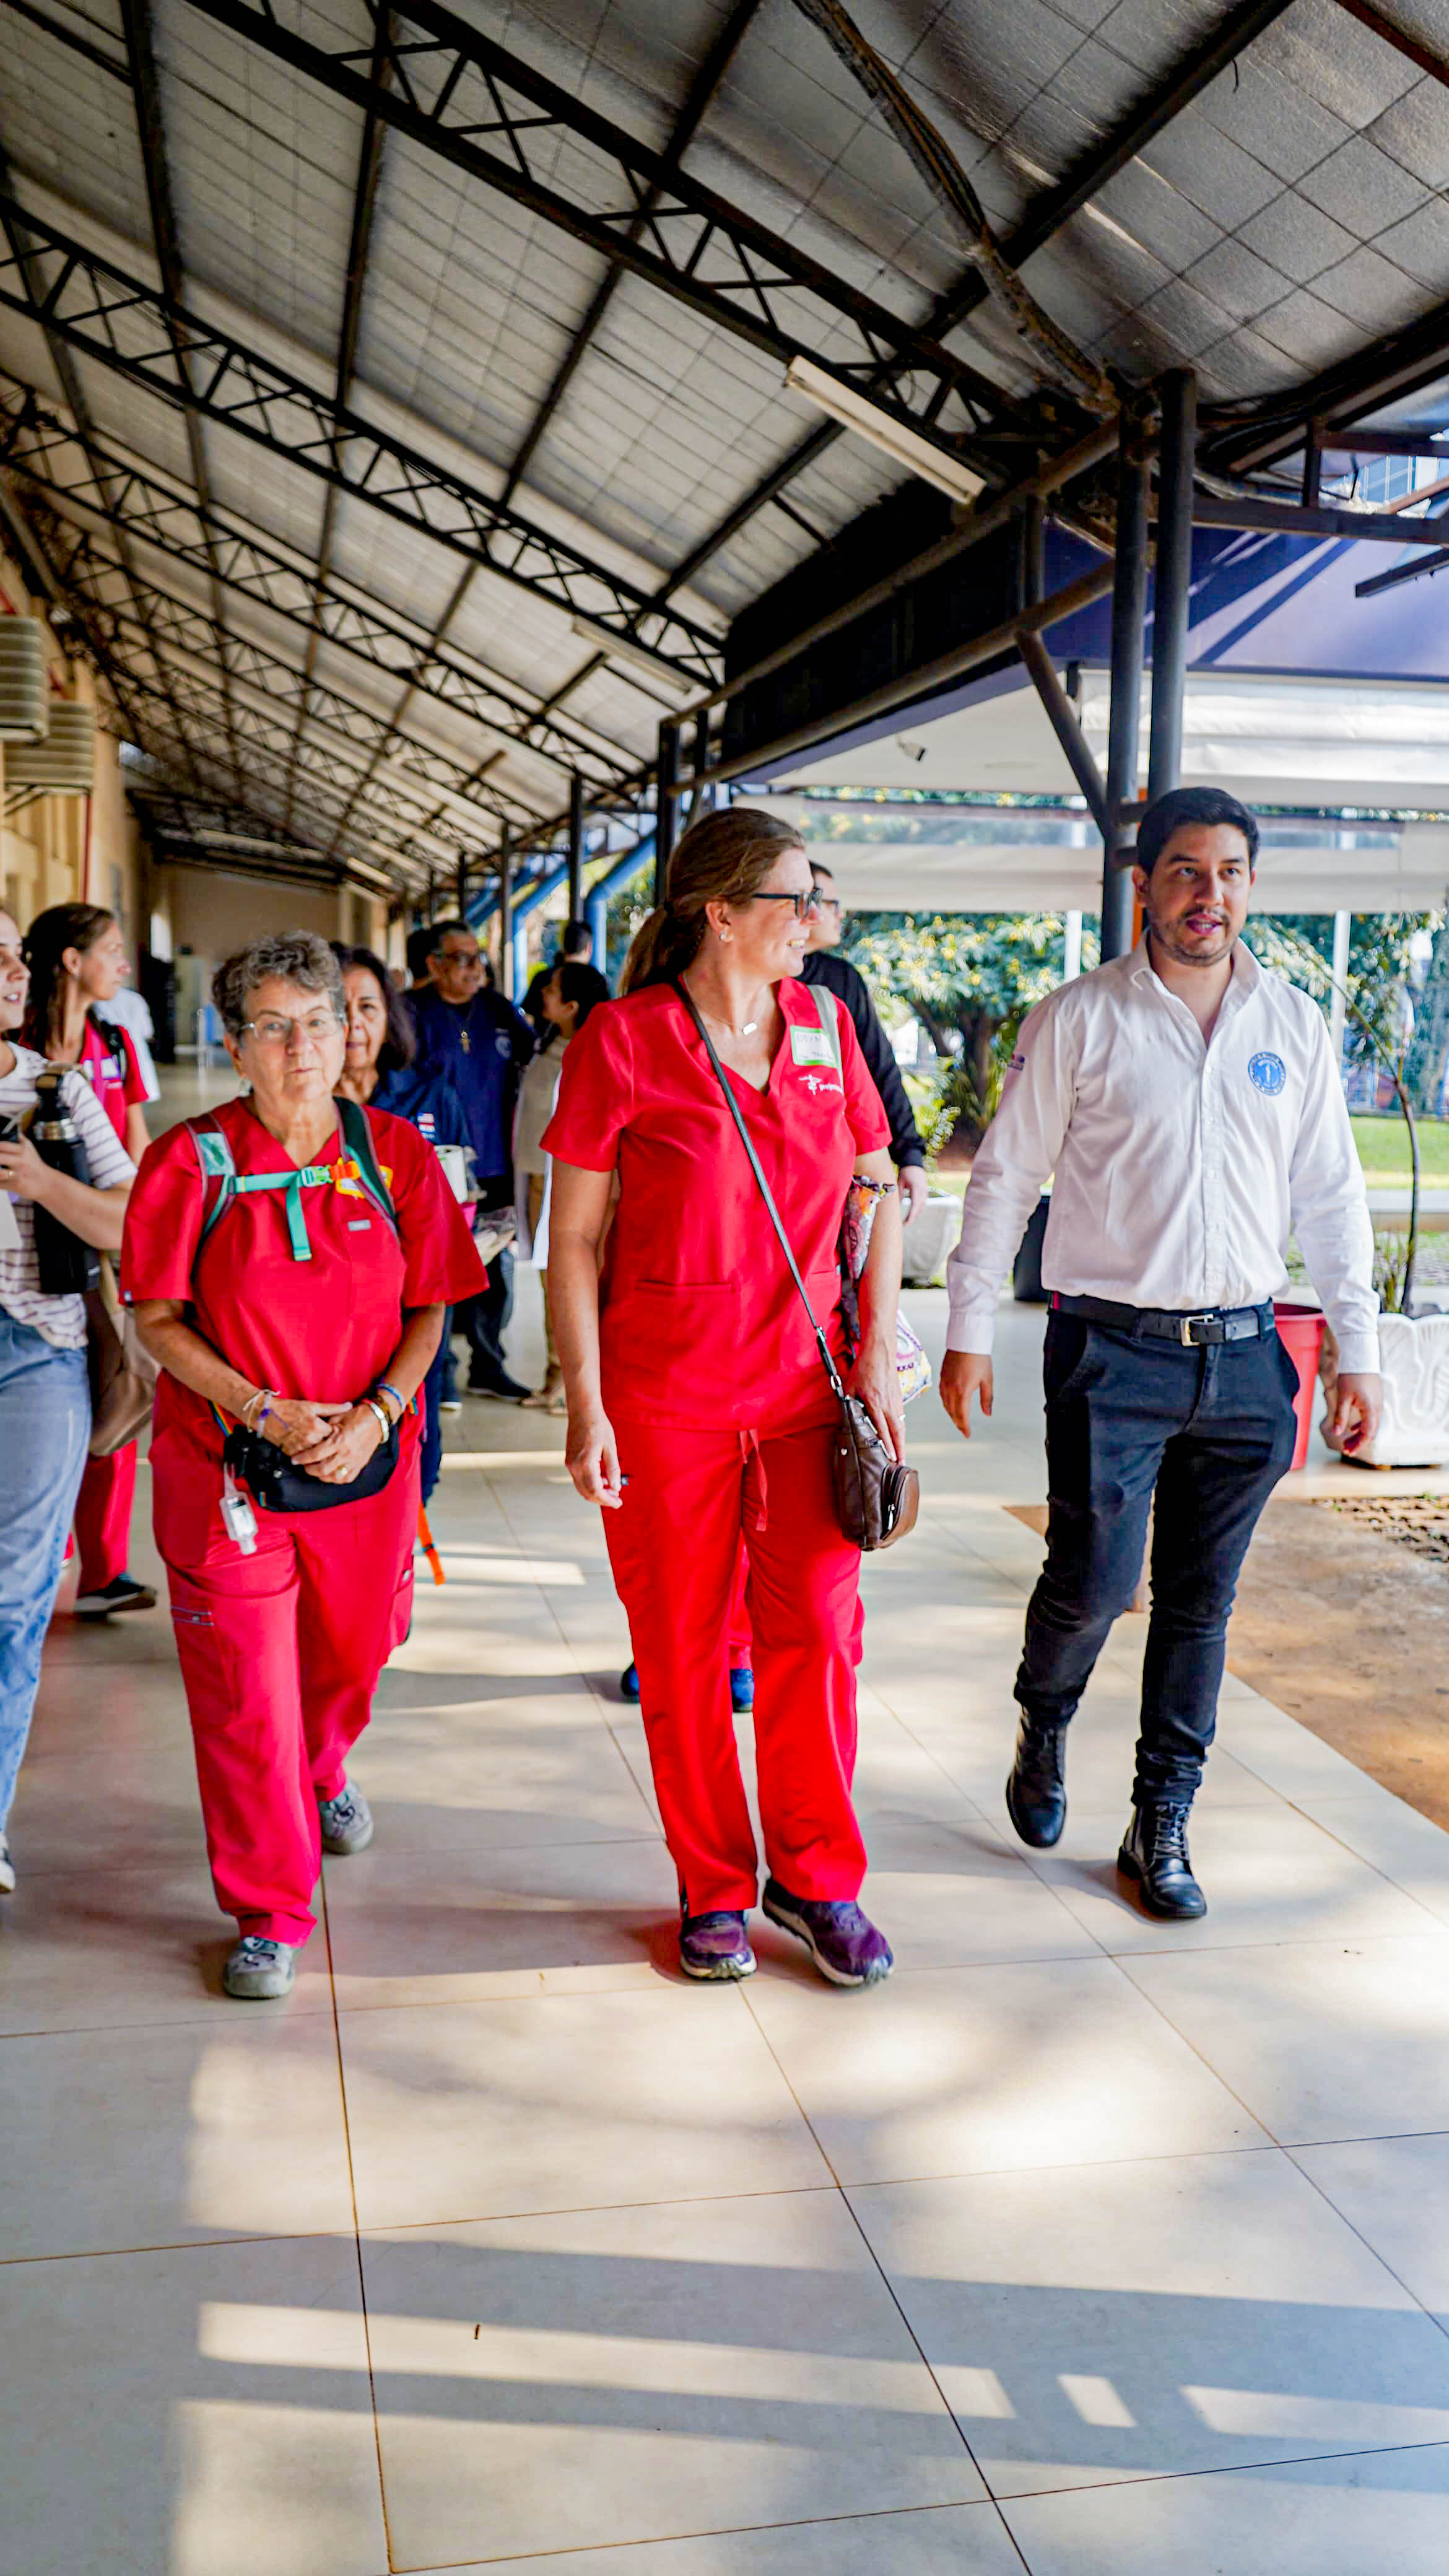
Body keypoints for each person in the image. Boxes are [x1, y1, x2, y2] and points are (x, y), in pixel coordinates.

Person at [939, 786, 1382, 1921]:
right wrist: (966, 1327)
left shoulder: (1292, 1023)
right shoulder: (1081, 1017)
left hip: (1245, 1360)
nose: (1211, 894)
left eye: (1231, 872)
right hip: (1111, 1353)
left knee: (1200, 1604)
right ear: (1145, 885)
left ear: (1250, 887)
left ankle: (1160, 1822)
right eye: (1188, 871)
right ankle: (1045, 1718)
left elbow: (1332, 1197)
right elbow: (1005, 1177)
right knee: (1093, 1583)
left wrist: (1356, 1354)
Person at [546, 808, 904, 1989]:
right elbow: (578, 1242)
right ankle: (712, 1887)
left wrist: (875, 1356)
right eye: (796, 899)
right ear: (723, 912)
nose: (814, 920)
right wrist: (585, 1405)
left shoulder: (825, 1025)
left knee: (819, 1635)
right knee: (685, 1650)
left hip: (806, 1396)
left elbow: (878, 1188)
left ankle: (816, 1881)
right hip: (663, 1402)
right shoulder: (626, 1040)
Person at [123, 931, 481, 2000]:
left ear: (347, 1032)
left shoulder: (393, 1154)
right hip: (230, 1470)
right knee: (247, 1696)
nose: (301, 1048)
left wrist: (376, 1413)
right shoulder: (191, 1161)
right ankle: (268, 1908)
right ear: (233, 1045)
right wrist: (263, 1409)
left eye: (319, 1022)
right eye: (272, 1028)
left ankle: (322, 1768)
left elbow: (433, 1305)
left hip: (367, 1465)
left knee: (356, 1650)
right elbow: (156, 1317)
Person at [0, 905, 136, 1895]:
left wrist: (42, 1181)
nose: (15, 973)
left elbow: (136, 1221)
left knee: (12, 1599)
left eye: (16, 956)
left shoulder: (58, 1088)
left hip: (36, 1356)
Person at [22, 903, 156, 1621]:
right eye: (110, 948)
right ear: (72, 960)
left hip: (104, 1240)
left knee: (117, 1384)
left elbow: (136, 1152)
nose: (122, 962)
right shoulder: (19, 1045)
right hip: (29, 1249)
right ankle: (48, 1540)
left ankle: (104, 1567)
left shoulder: (116, 1042)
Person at [333, 942, 481, 1499]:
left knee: (415, 1459)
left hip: (415, 1308)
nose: (352, 1025)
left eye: (367, 1008)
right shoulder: (293, 1109)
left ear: (388, 1018)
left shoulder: (429, 1096)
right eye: (336, 1007)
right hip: (330, 1315)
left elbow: (460, 1201)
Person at [411, 918, 534, 1401]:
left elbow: (540, 1058)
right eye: (460, 959)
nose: (472, 969)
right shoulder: (413, 1014)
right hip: (432, 1168)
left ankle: (488, 1363)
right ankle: (437, 1371)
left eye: (477, 958)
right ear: (434, 965)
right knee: (434, 1274)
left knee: (492, 1271)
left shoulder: (499, 1010)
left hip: (495, 1164)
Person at [800, 860, 929, 1223]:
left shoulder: (840, 980)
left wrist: (910, 1156)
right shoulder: (756, 980)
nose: (841, 914)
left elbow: (879, 1067)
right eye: (832, 904)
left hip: (837, 1157)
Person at [512, 958, 609, 1411]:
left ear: (572, 1006)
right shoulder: (546, 1046)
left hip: (564, 1184)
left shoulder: (592, 1054)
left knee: (566, 1277)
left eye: (551, 990)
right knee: (549, 1280)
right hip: (535, 1177)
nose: (541, 996)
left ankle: (571, 1381)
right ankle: (556, 1376)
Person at [523, 916, 595, 1032]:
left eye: (551, 990)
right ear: (589, 948)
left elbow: (528, 1018)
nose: (544, 992)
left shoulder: (542, 978)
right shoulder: (596, 983)